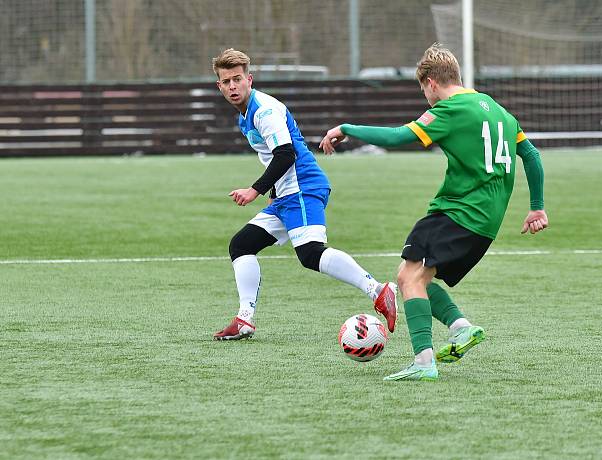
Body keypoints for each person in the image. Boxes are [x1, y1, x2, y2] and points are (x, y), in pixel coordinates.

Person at [320, 43, 548, 381]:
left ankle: (424, 362)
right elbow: (531, 155)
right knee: (412, 277)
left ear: (430, 82)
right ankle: (461, 328)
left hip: (456, 213)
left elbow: (399, 137)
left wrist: (346, 128)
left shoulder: (450, 109)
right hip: (485, 225)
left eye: (423, 90)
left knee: (409, 279)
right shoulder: (501, 112)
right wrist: (536, 207)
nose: (425, 97)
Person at [211, 48, 397, 340]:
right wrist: (272, 192)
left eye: (237, 79)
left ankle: (379, 291)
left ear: (249, 79)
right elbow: (275, 155)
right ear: (219, 86)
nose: (233, 86)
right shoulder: (245, 115)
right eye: (226, 82)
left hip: (302, 186)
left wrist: (254, 190)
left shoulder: (264, 110)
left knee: (310, 254)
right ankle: (244, 320)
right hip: (286, 194)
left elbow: (285, 154)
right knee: (241, 245)